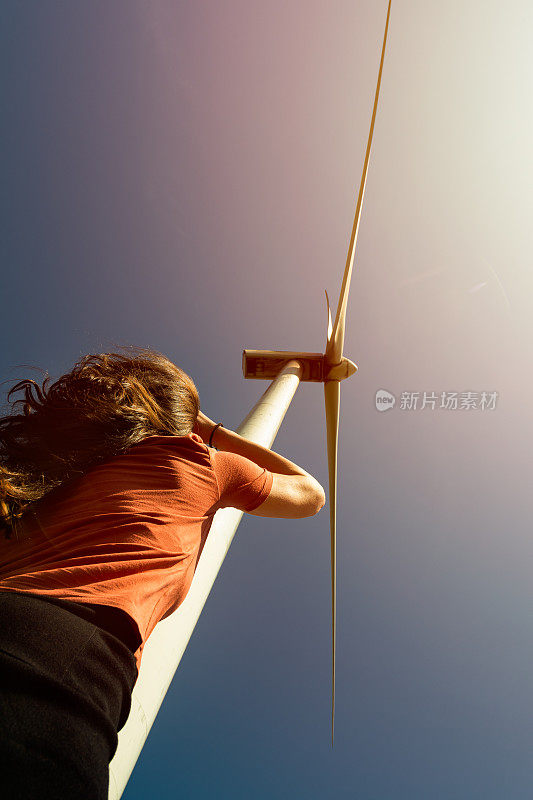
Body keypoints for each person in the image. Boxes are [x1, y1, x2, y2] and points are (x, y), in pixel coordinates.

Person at [0, 346, 325, 799]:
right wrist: (212, 430)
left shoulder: (42, 476)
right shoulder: (198, 462)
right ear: (181, 419)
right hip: (61, 652)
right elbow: (309, 494)